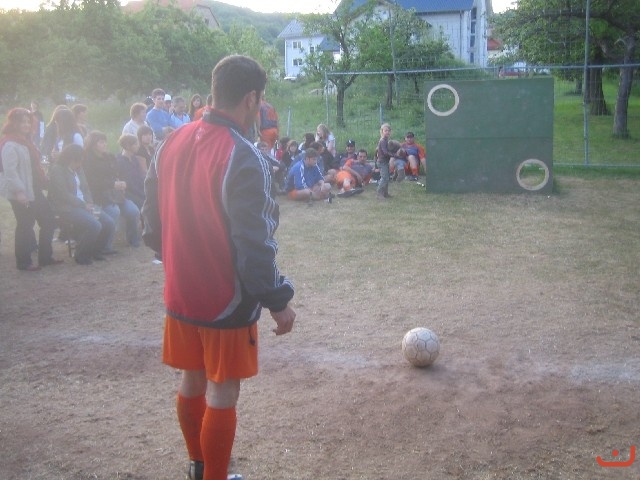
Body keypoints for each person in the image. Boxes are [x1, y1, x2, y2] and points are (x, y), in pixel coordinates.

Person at [142, 54, 296, 480]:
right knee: (223, 389)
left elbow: (150, 221)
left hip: (180, 292)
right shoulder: (245, 155)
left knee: (192, 379)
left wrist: (176, 257)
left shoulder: (170, 141)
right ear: (251, 99)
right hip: (224, 298)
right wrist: (278, 300)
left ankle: (198, 467)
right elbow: (254, 244)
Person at [0, 108, 61, 271]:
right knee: (25, 225)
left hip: (34, 188)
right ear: (14, 123)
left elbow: (34, 165)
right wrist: (19, 192)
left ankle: (45, 257)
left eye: (28, 121)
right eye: (23, 122)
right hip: (21, 191)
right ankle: (23, 262)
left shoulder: (26, 141)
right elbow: (10, 171)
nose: (26, 125)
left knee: (48, 220)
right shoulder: (10, 144)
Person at [48, 144, 115, 265]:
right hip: (68, 208)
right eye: (78, 160)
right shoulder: (57, 170)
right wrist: (83, 205)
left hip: (85, 204)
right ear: (70, 159)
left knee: (109, 222)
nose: (80, 163)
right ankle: (81, 254)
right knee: (94, 225)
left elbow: (85, 188)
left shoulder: (78, 169)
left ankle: (96, 250)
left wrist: (89, 202)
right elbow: (63, 194)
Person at [83, 131, 141, 250]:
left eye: (105, 142)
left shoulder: (109, 157)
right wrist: (113, 184)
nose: (105, 144)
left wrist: (120, 183)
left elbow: (116, 174)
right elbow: (92, 182)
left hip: (116, 194)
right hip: (99, 196)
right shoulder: (87, 160)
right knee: (114, 211)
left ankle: (133, 238)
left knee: (133, 210)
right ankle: (105, 245)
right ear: (93, 144)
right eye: (101, 142)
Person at [116, 134, 146, 209]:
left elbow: (140, 177)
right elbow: (128, 184)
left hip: (140, 190)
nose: (138, 146)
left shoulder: (134, 159)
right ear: (127, 146)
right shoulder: (120, 162)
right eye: (135, 144)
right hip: (129, 194)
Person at [375, 123, 394, 200]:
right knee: (384, 178)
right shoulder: (382, 140)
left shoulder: (386, 140)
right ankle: (379, 193)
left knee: (387, 177)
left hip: (385, 161)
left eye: (389, 130)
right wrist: (394, 155)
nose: (387, 132)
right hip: (382, 162)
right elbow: (385, 152)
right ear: (382, 131)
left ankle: (385, 193)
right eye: (385, 130)